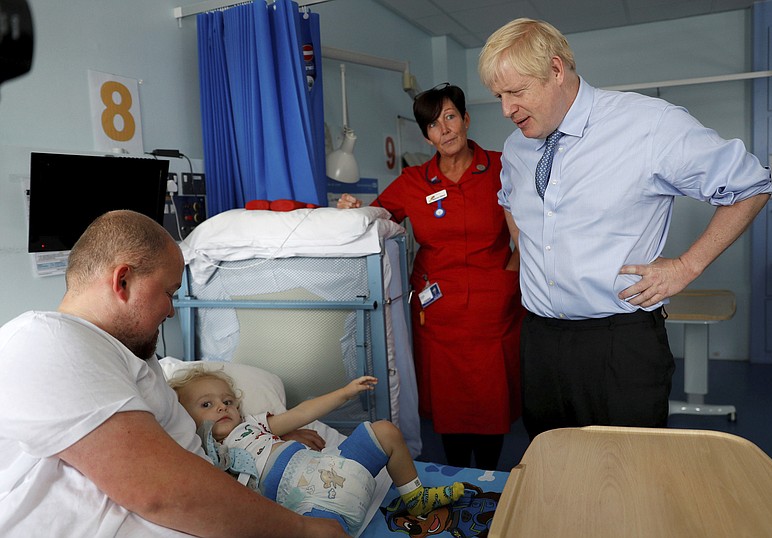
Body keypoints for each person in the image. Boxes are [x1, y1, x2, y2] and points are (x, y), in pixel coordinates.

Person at [477, 18, 772, 441]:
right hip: (541, 340)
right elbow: (511, 201)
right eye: (498, 96)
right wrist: (533, 256)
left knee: (629, 479)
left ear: (557, 70)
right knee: (553, 467)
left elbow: (751, 185)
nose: (506, 109)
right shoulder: (517, 146)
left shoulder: (648, 125)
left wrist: (687, 266)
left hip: (618, 343)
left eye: (516, 92)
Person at [0, 210, 348, 537]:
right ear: (123, 281)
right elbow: (158, 489)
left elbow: (193, 450)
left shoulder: (130, 359)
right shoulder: (47, 339)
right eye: (169, 293)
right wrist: (303, 530)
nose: (170, 311)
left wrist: (264, 448)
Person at [337, 83, 524, 470]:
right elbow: (376, 219)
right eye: (435, 125)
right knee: (450, 408)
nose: (446, 130)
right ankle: (457, 476)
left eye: (451, 117)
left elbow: (530, 234)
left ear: (466, 120)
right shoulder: (413, 182)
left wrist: (509, 278)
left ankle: (489, 478)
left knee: (491, 405)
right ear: (426, 136)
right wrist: (352, 207)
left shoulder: (504, 167)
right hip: (438, 317)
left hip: (494, 311)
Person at [169, 367, 464, 535]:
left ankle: (415, 496)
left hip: (336, 466)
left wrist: (345, 392)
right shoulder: (206, 459)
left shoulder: (253, 425)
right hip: (313, 506)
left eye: (228, 400)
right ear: (185, 419)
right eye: (206, 405)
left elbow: (303, 411)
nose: (222, 407)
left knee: (385, 430)